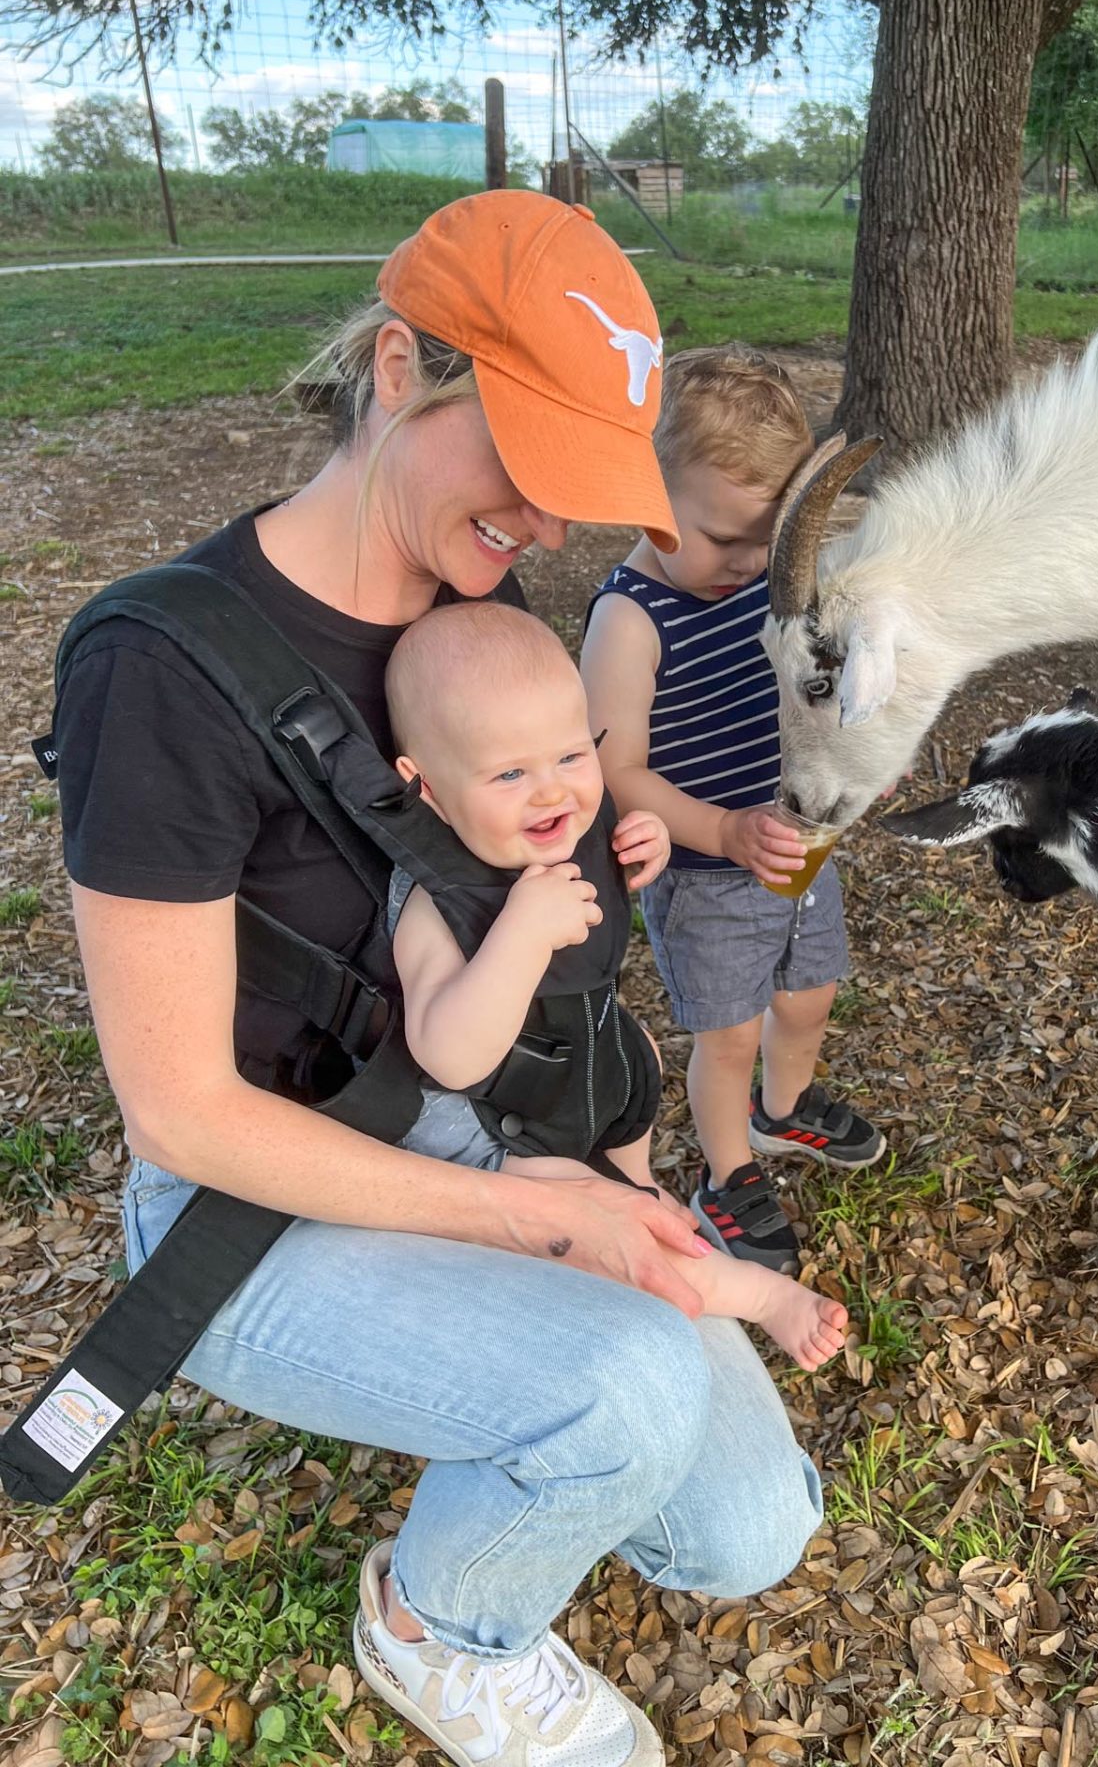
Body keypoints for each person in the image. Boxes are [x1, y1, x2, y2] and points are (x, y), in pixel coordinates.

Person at [53, 195, 823, 1767]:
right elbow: (185, 1115)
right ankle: (435, 1624)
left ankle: (549, 1421)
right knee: (621, 1387)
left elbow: (540, 943)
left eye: (573, 495)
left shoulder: (481, 615)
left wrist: (608, 908)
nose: (545, 531)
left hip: (499, 1128)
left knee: (751, 1531)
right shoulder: (162, 672)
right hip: (268, 1200)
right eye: (528, 475)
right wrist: (550, 1220)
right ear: (399, 367)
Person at [384, 598, 848, 1369]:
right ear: (424, 787)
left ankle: (642, 1197)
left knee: (636, 1186)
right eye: (509, 772)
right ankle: (762, 1297)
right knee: (617, 1224)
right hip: (513, 1131)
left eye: (572, 757)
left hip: (601, 1078)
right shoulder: (437, 899)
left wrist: (648, 841)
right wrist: (521, 934)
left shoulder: (575, 826)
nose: (553, 793)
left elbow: (600, 904)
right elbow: (450, 1056)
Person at [581, 345, 885, 1279]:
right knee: (730, 1033)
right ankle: (728, 1170)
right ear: (646, 495)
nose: (752, 563)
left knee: (809, 995)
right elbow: (614, 773)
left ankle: (784, 1106)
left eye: (770, 540)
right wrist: (719, 832)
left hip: (793, 850)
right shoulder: (629, 620)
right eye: (724, 539)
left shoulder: (763, 578)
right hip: (710, 875)